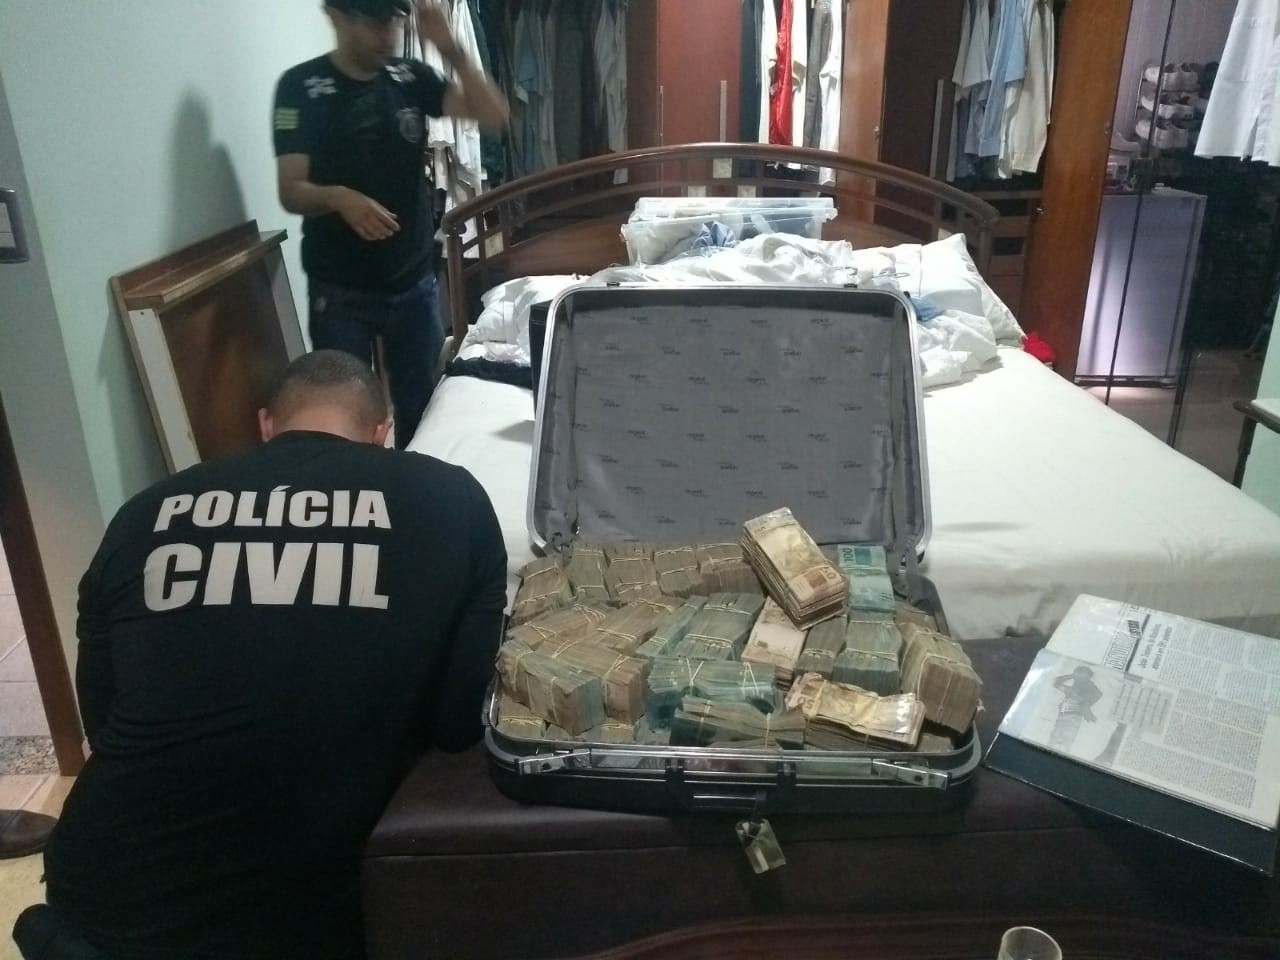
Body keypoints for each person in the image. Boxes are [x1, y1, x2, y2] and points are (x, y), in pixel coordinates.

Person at [14, 350, 507, 960]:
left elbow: (103, 717)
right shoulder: (451, 498)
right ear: (382, 433)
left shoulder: (144, 511)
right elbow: (458, 721)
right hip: (292, 908)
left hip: (102, 889)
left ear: (268, 424)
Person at [273, 0, 508, 449]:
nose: (388, 34)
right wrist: (338, 197)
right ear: (336, 16)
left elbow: (495, 115)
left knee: (426, 414)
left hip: (412, 282)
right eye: (374, 21)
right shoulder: (302, 88)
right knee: (343, 416)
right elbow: (291, 189)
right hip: (340, 289)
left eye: (394, 20)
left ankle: (411, 487)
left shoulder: (409, 78)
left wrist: (452, 48)